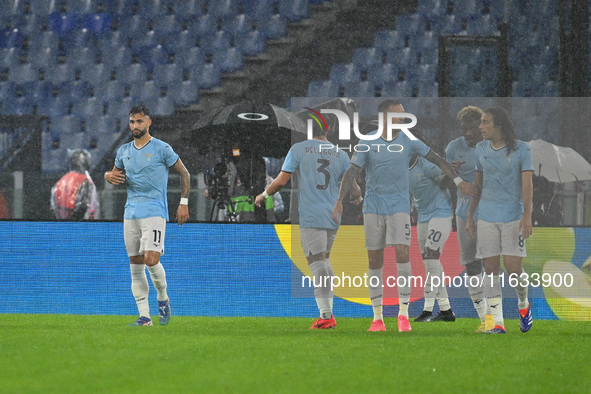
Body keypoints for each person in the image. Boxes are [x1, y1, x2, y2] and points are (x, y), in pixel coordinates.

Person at [332, 99, 476, 332]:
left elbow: (439, 161)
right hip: (373, 208)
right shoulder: (367, 141)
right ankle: (377, 318)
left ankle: (403, 315)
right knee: (374, 261)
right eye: (399, 114)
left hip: (399, 208)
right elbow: (352, 171)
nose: (404, 117)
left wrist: (459, 182)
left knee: (402, 255)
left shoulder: (409, 141)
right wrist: (339, 200)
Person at [254, 118, 355, 329]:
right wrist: (357, 198)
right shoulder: (341, 154)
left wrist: (263, 195)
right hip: (334, 216)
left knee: (316, 262)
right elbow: (354, 188)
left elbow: (282, 181)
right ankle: (328, 314)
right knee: (325, 260)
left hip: (312, 215)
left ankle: (326, 316)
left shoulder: (299, 149)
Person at [104, 104, 190, 327]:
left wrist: (183, 203)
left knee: (151, 259)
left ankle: (163, 298)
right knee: (135, 263)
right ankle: (145, 317)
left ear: (149, 122)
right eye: (132, 122)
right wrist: (107, 175)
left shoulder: (162, 148)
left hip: (154, 211)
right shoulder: (123, 151)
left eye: (139, 121)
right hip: (130, 211)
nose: (135, 125)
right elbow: (115, 175)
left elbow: (185, 173)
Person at [466, 106, 534, 334]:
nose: (480, 127)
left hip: (513, 217)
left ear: (499, 126)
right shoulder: (480, 149)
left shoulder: (522, 149)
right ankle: (498, 323)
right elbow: (477, 185)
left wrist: (527, 215)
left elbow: (527, 185)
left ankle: (523, 305)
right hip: (486, 216)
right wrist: (470, 216)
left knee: (513, 269)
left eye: (485, 122)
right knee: (490, 267)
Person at [443, 106, 493, 332]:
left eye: (473, 128)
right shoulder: (454, 148)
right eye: (465, 129)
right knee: (472, 265)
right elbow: (441, 182)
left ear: (481, 126)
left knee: (491, 264)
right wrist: (449, 174)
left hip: (491, 214)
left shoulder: (491, 147)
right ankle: (484, 319)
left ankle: (495, 316)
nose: (468, 133)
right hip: (464, 215)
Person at [408, 151, 456, 322]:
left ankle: (427, 311)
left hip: (441, 213)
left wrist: (450, 172)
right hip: (423, 216)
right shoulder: (399, 167)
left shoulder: (426, 164)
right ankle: (446, 310)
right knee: (431, 263)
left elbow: (442, 181)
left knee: (431, 257)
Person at [51, 149, 100, 220]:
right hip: (82, 227)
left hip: (61, 226)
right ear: (86, 163)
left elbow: (53, 208)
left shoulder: (60, 182)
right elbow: (84, 206)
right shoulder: (85, 181)